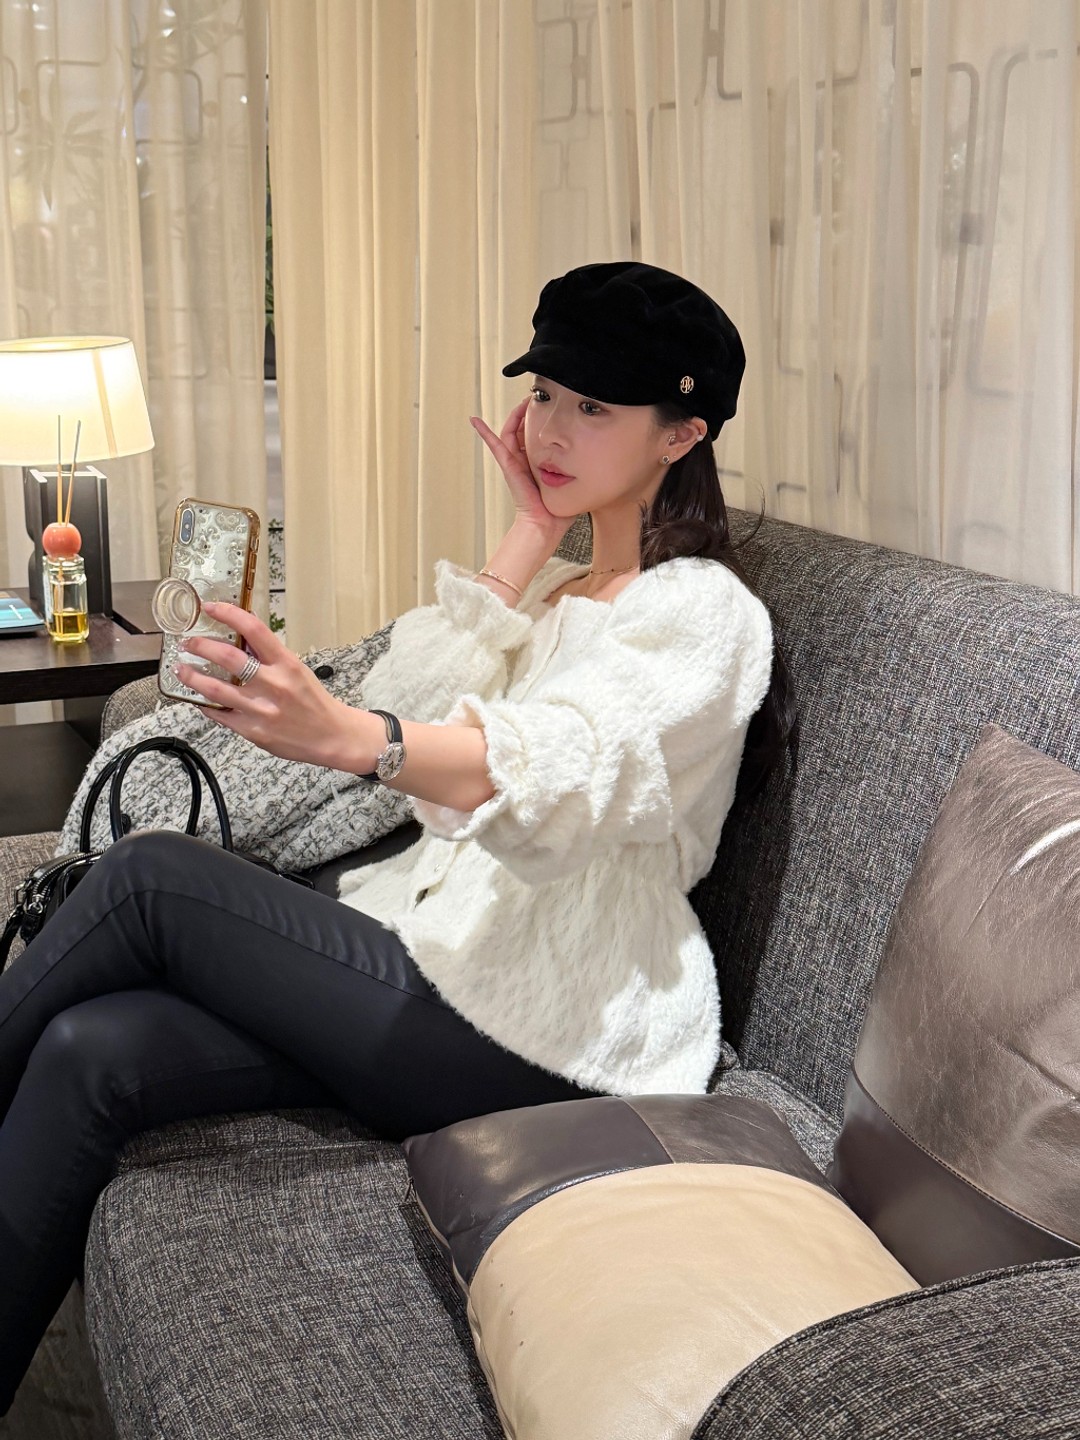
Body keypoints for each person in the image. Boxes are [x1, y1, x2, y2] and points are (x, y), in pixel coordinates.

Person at [0, 260, 794, 1413]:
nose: (552, 429)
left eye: (594, 406)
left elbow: (562, 766)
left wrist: (347, 736)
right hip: (434, 965)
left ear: (683, 434)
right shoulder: (562, 594)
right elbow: (422, 696)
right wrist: (526, 536)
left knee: (150, 877)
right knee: (92, 1051)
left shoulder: (704, 611)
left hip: (548, 1032)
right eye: (547, 394)